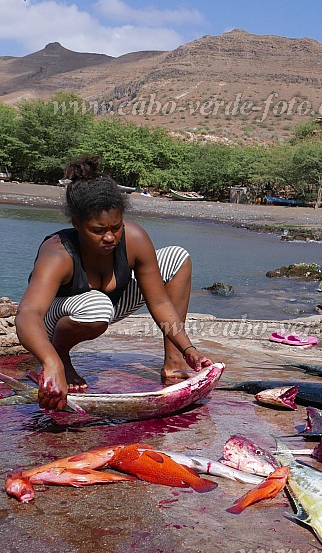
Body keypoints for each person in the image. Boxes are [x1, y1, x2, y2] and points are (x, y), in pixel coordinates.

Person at [16, 156, 212, 411]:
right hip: (56, 321)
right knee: (97, 306)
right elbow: (28, 314)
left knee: (177, 257)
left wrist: (188, 349)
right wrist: (50, 362)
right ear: (77, 224)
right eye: (98, 230)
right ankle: (60, 355)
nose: (110, 237)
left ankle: (174, 362)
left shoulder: (133, 239)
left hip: (108, 307)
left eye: (116, 227)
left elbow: (160, 300)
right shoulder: (58, 254)